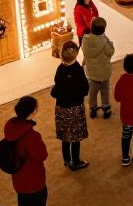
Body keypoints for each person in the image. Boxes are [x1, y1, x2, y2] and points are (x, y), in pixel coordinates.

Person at [3, 96, 48, 205]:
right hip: (34, 182)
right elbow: (42, 155)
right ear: (33, 112)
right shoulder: (32, 136)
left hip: (19, 181)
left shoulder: (11, 127)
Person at [51, 41, 89, 171]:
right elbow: (85, 89)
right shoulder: (78, 69)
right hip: (75, 107)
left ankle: (66, 159)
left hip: (61, 108)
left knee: (65, 136)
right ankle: (76, 161)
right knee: (75, 136)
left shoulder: (60, 69)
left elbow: (55, 89)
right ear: (76, 54)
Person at [81, 17, 114, 119]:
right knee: (105, 90)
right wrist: (111, 44)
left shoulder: (85, 40)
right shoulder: (104, 41)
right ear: (104, 29)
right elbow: (110, 52)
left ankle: (92, 108)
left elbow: (85, 53)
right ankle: (106, 108)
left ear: (91, 27)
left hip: (91, 73)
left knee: (92, 91)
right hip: (104, 72)